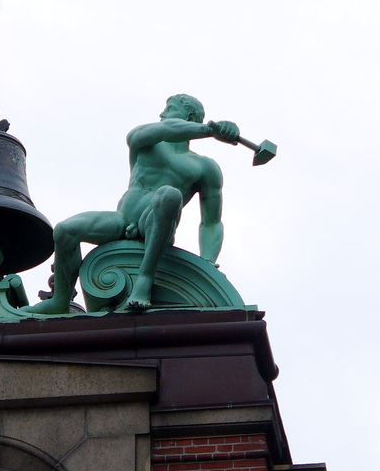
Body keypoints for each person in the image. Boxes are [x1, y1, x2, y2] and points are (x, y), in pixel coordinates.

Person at [25, 95, 240, 313]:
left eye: (170, 109)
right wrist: (209, 131)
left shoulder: (205, 167)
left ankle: (144, 279)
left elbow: (211, 222)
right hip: (122, 219)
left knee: (169, 194)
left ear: (190, 117)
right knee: (65, 230)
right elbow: (167, 129)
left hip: (154, 224)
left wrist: (207, 263)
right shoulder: (145, 138)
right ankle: (59, 301)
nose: (162, 114)